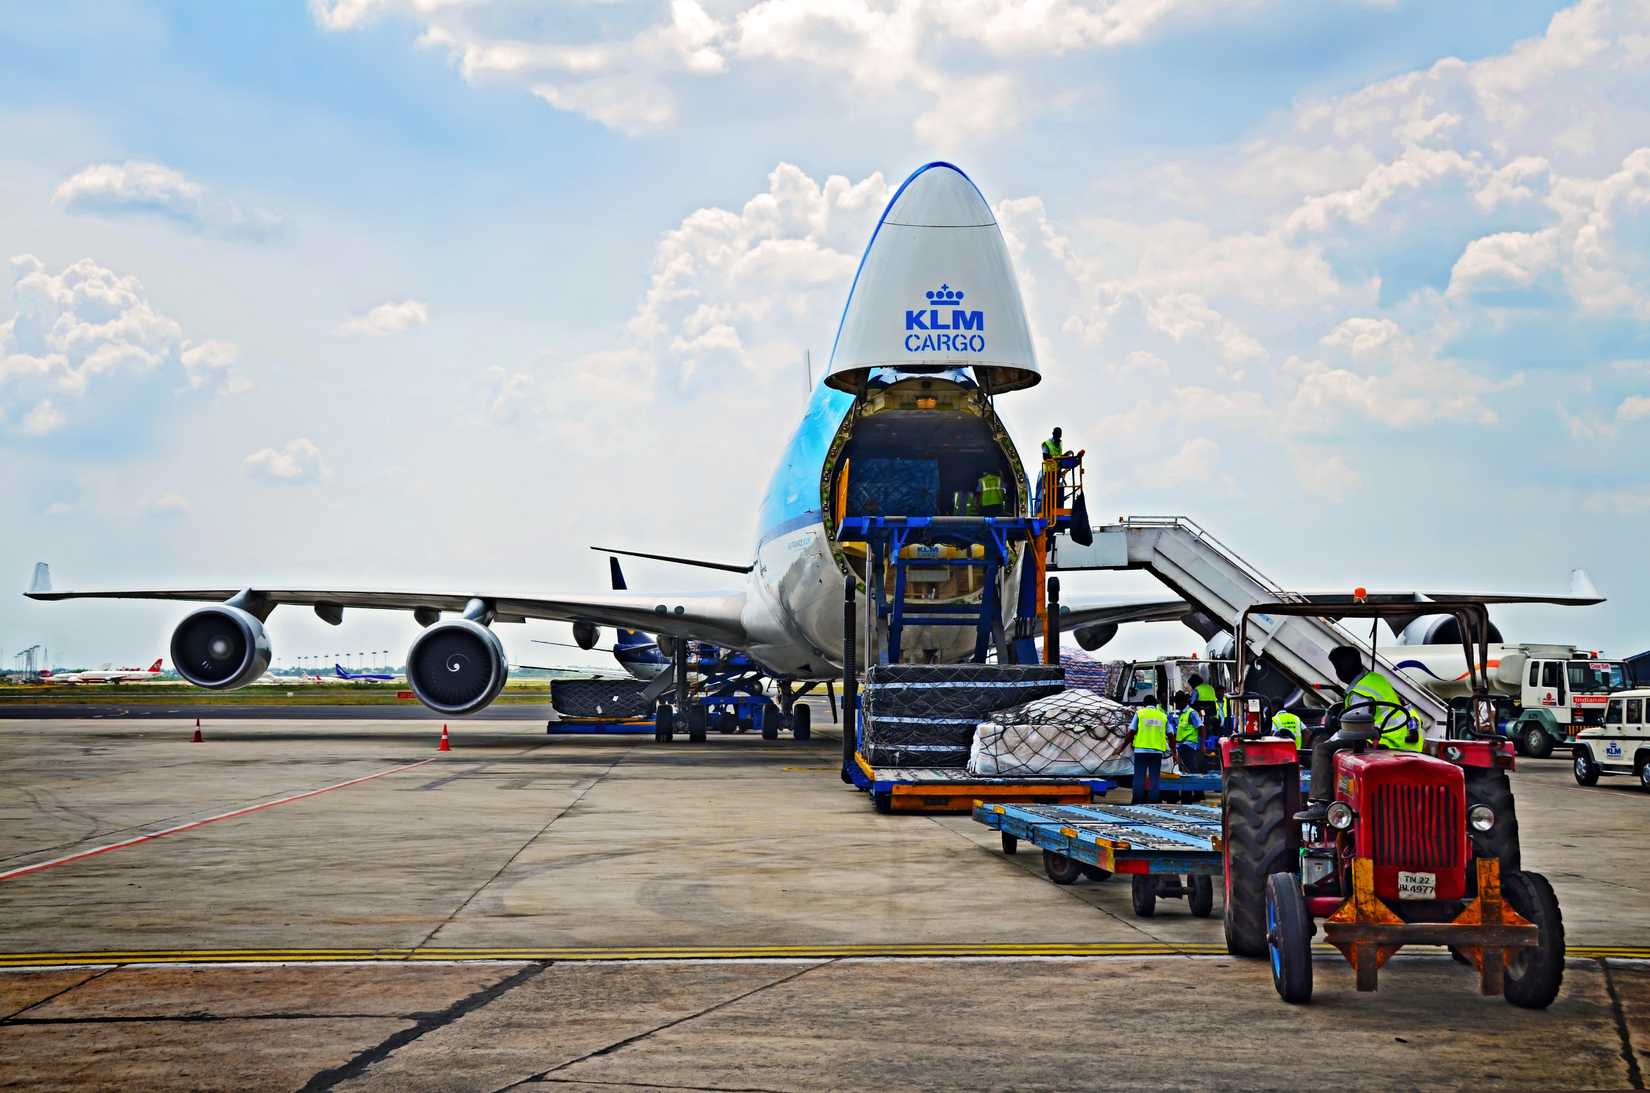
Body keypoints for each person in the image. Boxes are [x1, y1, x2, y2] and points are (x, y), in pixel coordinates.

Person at [1297, 645, 1421, 821]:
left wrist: (1333, 737)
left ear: (1342, 668)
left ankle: (1321, 803)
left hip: (1386, 740)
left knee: (1323, 749)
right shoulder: (1376, 680)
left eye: (1338, 667)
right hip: (1405, 740)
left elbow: (1356, 727)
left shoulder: (1360, 692)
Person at [1128, 692, 1170, 804]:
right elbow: (1171, 734)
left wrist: (1122, 747)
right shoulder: (1163, 715)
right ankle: (1154, 801)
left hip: (1141, 750)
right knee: (1154, 778)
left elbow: (1131, 731)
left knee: (1139, 777)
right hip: (1157, 751)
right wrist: (1174, 752)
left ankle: (1137, 801)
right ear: (1156, 704)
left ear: (1144, 704)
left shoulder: (1140, 713)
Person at [1172, 690, 1203, 774]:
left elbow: (1201, 728)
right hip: (1182, 745)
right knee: (1184, 767)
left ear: (1183, 702)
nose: (1176, 705)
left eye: (1177, 703)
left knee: (1190, 766)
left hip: (1189, 745)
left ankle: (1196, 782)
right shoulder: (1181, 714)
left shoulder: (1192, 713)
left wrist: (1202, 746)